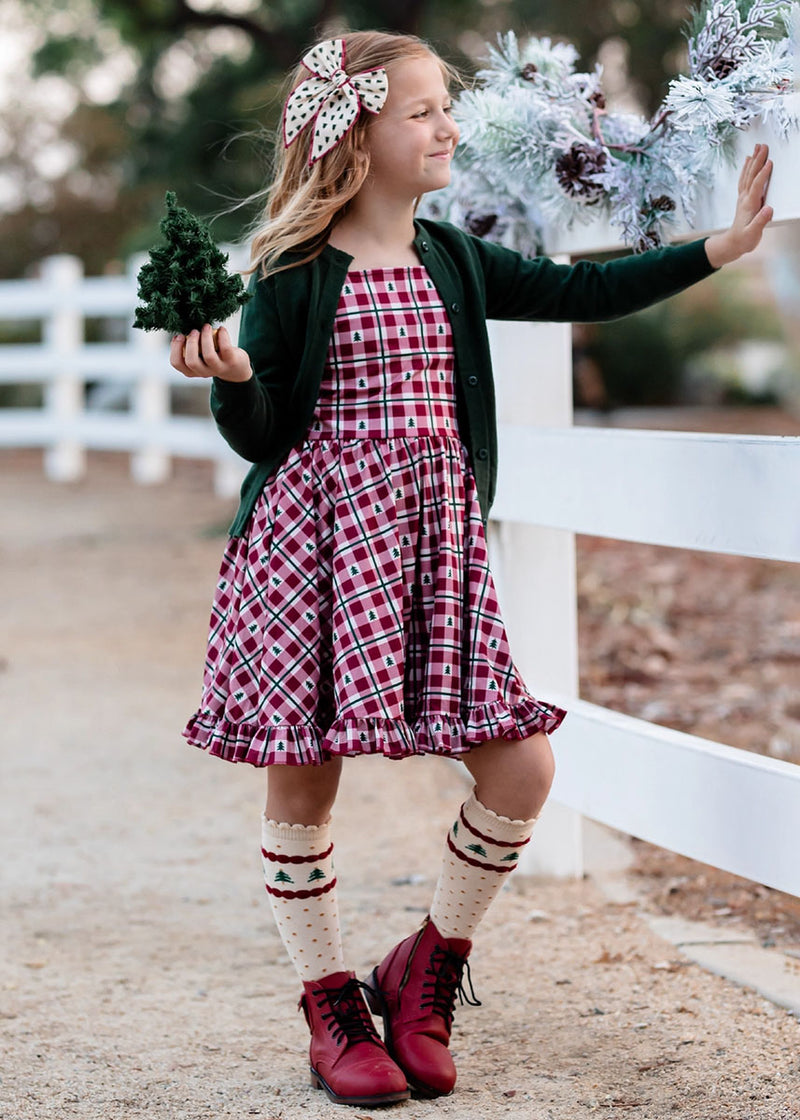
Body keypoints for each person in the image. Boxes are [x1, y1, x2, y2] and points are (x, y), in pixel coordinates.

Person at [169, 29, 773, 1109]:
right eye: (421, 111)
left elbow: (575, 293)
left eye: (444, 107)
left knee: (521, 770)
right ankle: (327, 999)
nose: (447, 126)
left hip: (433, 552)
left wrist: (714, 249)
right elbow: (262, 431)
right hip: (314, 556)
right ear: (355, 136)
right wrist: (230, 380)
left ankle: (424, 966)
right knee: (305, 780)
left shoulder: (450, 256)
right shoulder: (293, 274)